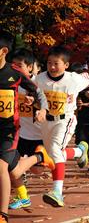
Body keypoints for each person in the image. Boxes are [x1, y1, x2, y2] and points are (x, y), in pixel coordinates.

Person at [35, 46, 89, 207]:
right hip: (46, 121)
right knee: (52, 154)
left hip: (65, 120)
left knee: (55, 152)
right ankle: (80, 150)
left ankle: (57, 192)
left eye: (56, 63)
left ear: (65, 65)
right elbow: (31, 91)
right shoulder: (40, 78)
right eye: (49, 63)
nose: (51, 67)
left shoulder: (74, 78)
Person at [0, 30, 55, 222]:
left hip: (9, 131)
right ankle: (40, 157)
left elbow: (39, 94)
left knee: (2, 168)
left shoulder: (15, 75)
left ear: (3, 51)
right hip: (11, 131)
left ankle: (2, 214)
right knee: (13, 172)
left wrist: (42, 109)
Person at [8, 50, 45, 210]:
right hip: (20, 134)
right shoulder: (12, 82)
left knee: (37, 171)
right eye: (13, 65)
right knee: (11, 168)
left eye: (19, 65)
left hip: (40, 135)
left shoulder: (39, 83)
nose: (15, 68)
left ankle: (44, 155)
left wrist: (37, 104)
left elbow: (48, 106)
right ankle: (23, 197)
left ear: (30, 67)